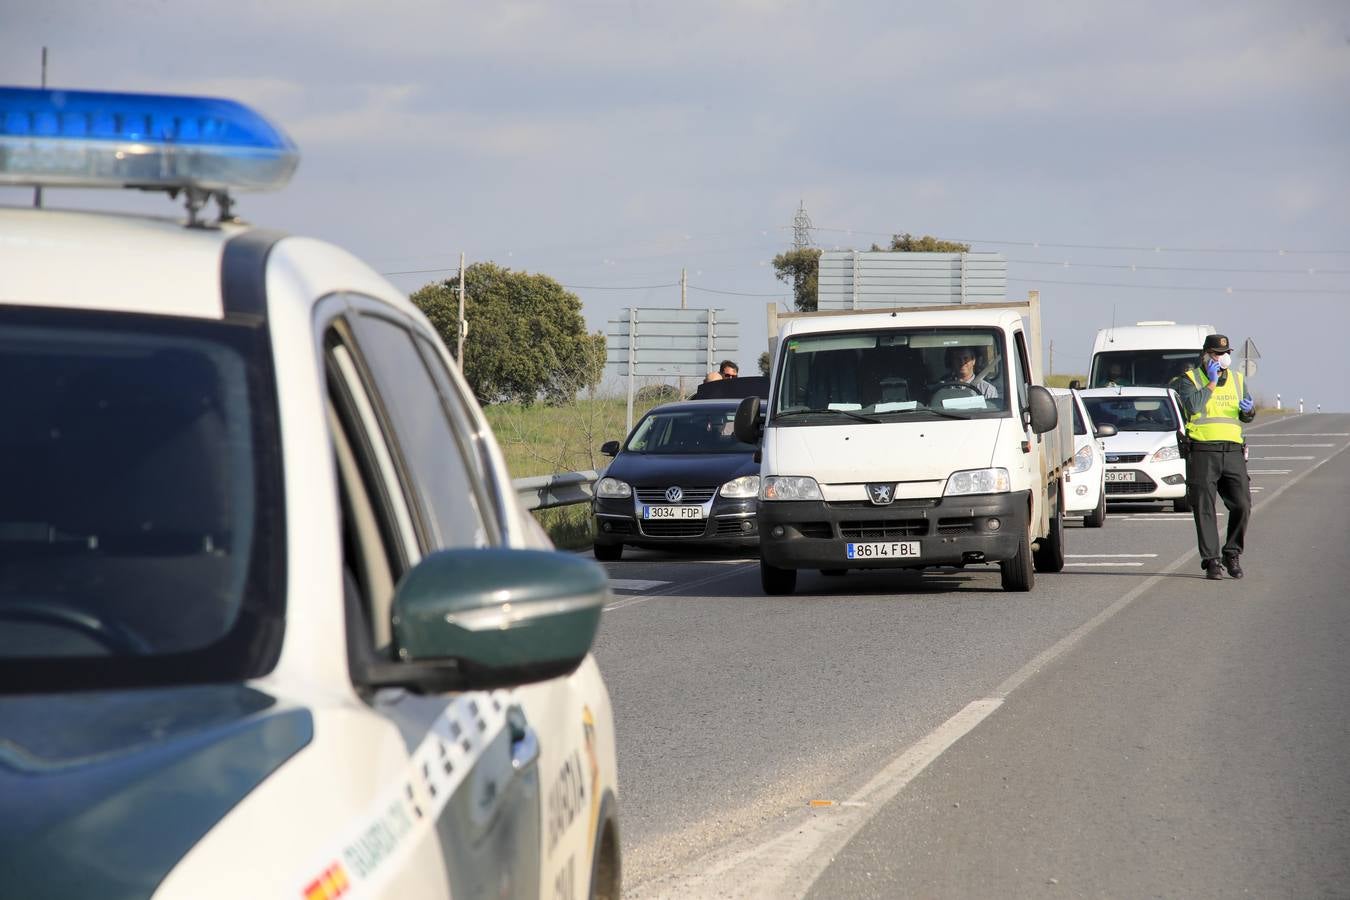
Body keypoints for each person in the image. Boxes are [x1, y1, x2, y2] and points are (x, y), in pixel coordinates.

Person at [1171, 333, 1256, 580]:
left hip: (1232, 451)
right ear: (1205, 355)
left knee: (1242, 504)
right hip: (1202, 450)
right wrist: (1210, 382)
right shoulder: (1189, 380)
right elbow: (1193, 407)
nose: (1222, 358)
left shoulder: (1238, 380)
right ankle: (1211, 561)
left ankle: (1232, 552)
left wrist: (1249, 412)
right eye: (1217, 354)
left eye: (1226, 354)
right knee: (1204, 508)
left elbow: (1244, 415)